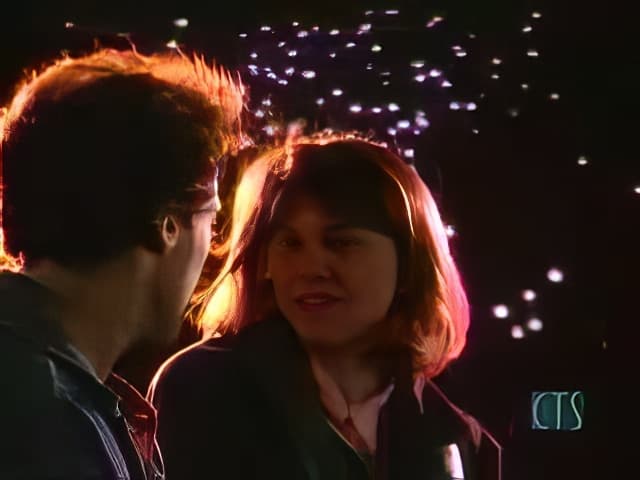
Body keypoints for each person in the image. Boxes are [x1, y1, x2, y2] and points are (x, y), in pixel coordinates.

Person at [149, 133, 502, 479]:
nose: (312, 269)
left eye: (341, 243)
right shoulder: (205, 389)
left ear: (409, 265)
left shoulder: (458, 438)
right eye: (290, 243)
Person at [0, 47, 245, 479]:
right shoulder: (49, 419)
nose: (211, 247)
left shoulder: (47, 382)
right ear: (168, 224)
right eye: (211, 219)